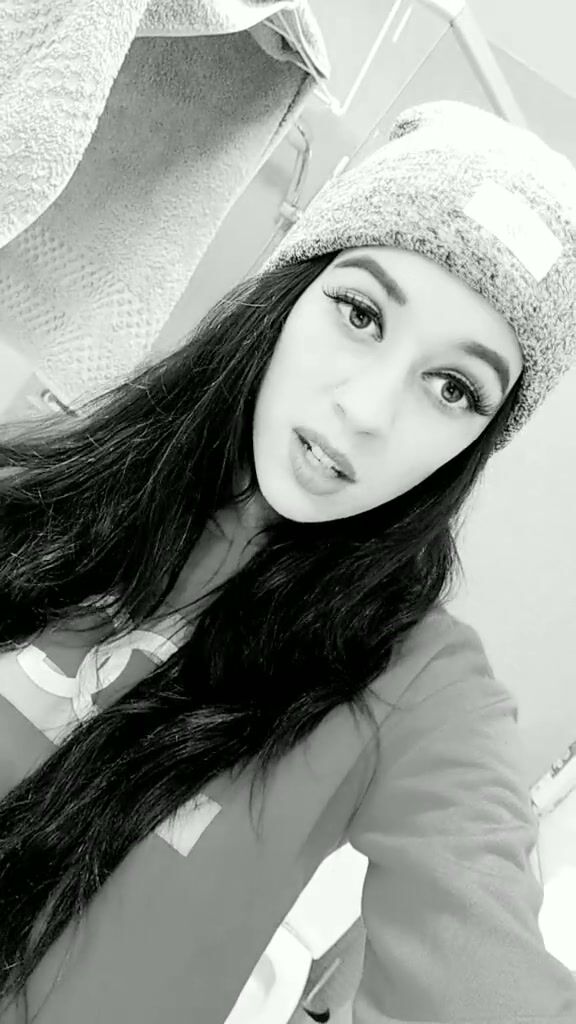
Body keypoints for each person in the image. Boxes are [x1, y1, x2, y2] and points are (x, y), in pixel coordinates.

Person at [0, 99, 575, 1024]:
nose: (369, 411)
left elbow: (487, 969)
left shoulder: (420, 685)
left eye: (454, 387)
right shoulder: (57, 487)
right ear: (289, 294)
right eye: (361, 313)